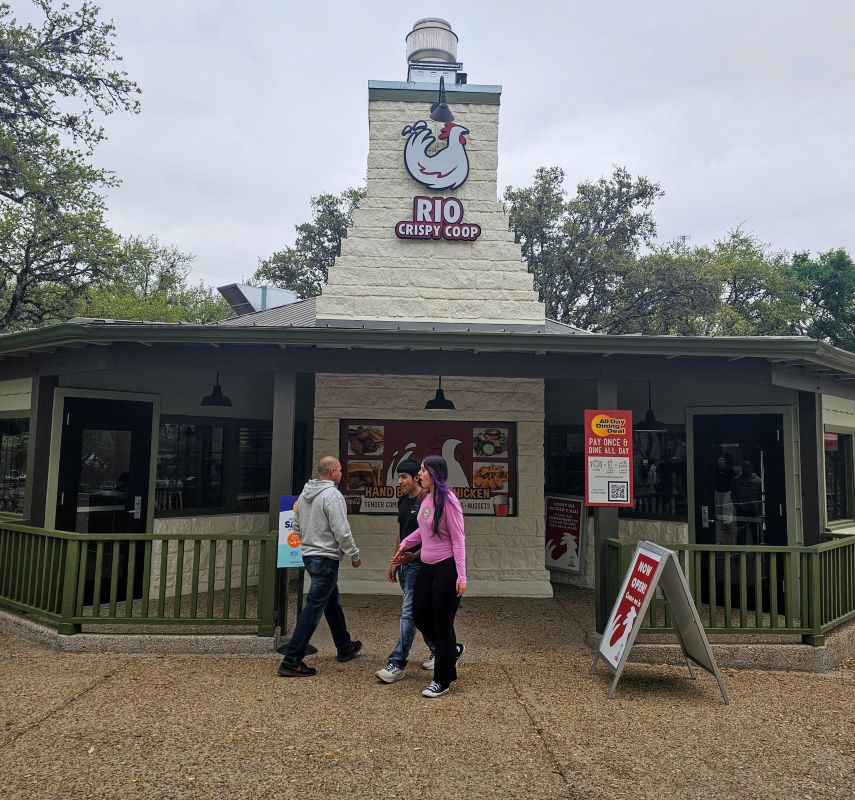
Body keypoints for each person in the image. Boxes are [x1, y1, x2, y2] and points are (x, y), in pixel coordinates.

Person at [277, 456, 362, 677]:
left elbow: (296, 526)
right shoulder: (333, 495)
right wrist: (354, 554)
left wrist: (309, 542)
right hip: (326, 559)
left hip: (309, 556)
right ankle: (292, 660)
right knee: (313, 608)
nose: (342, 473)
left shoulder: (305, 494)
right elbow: (341, 530)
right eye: (340, 470)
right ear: (332, 472)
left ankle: (344, 646)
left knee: (331, 602)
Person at [394, 455, 466, 698]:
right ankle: (451, 650)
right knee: (420, 615)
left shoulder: (449, 502)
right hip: (426, 566)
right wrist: (405, 543)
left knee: (442, 623)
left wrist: (461, 576)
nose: (419, 474)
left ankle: (442, 680)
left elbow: (458, 540)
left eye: (423, 470)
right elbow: (422, 531)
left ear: (434, 474)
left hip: (446, 568)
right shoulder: (426, 498)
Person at [376, 459, 435, 684]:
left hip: (419, 565)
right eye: (398, 477)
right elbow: (402, 533)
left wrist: (414, 556)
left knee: (408, 613)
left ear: (416, 478)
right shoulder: (402, 501)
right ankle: (442, 650)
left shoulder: (427, 502)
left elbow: (432, 537)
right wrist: (395, 561)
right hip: (404, 564)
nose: (399, 481)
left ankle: (397, 663)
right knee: (420, 612)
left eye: (404, 477)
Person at [731, 460, 764, 545]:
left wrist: (759, 509)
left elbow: (761, 496)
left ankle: (757, 552)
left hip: (753, 511)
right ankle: (740, 552)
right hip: (741, 511)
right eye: (744, 467)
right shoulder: (736, 480)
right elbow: (733, 494)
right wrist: (737, 505)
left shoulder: (757, 481)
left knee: (755, 535)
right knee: (741, 535)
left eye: (748, 467)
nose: (746, 469)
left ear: (751, 468)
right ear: (742, 468)